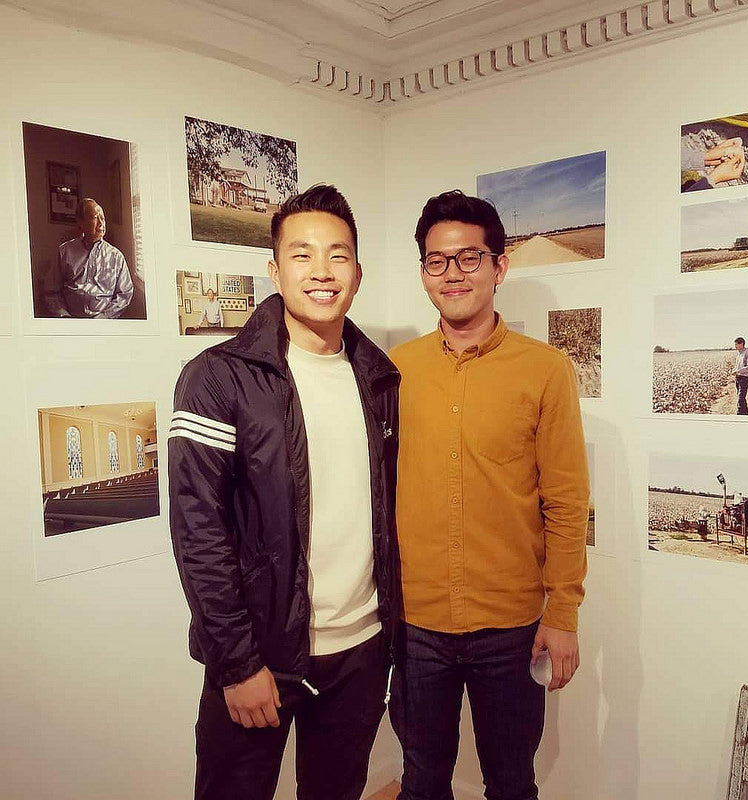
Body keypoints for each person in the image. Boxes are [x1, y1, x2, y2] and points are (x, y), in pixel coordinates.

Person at [168, 184, 401, 800]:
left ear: (358, 273)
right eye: (302, 254)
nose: (322, 271)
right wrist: (237, 663)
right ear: (275, 270)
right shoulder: (217, 377)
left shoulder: (380, 378)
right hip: (260, 654)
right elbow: (198, 532)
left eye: (338, 255)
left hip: (360, 651)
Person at [389, 190, 590, 800]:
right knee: (421, 782)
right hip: (417, 625)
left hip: (511, 626)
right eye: (436, 261)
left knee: (511, 783)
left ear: (499, 266)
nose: (452, 274)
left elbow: (565, 501)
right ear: (424, 272)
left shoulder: (546, 370)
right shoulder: (395, 370)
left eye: (469, 258)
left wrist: (563, 613)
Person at [48, 198, 134, 317]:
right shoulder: (64, 252)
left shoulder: (116, 256)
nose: (101, 223)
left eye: (103, 218)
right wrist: (64, 316)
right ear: (80, 222)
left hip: (104, 321)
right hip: (70, 319)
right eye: (95, 218)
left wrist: (104, 317)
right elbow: (51, 292)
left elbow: (124, 295)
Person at [732, 336, 748, 415]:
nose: (735, 346)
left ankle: (739, 415)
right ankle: (745, 415)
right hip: (738, 378)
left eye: (736, 344)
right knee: (741, 398)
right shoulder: (739, 354)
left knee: (740, 399)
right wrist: (734, 371)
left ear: (741, 344)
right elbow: (738, 366)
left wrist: (737, 371)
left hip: (744, 378)